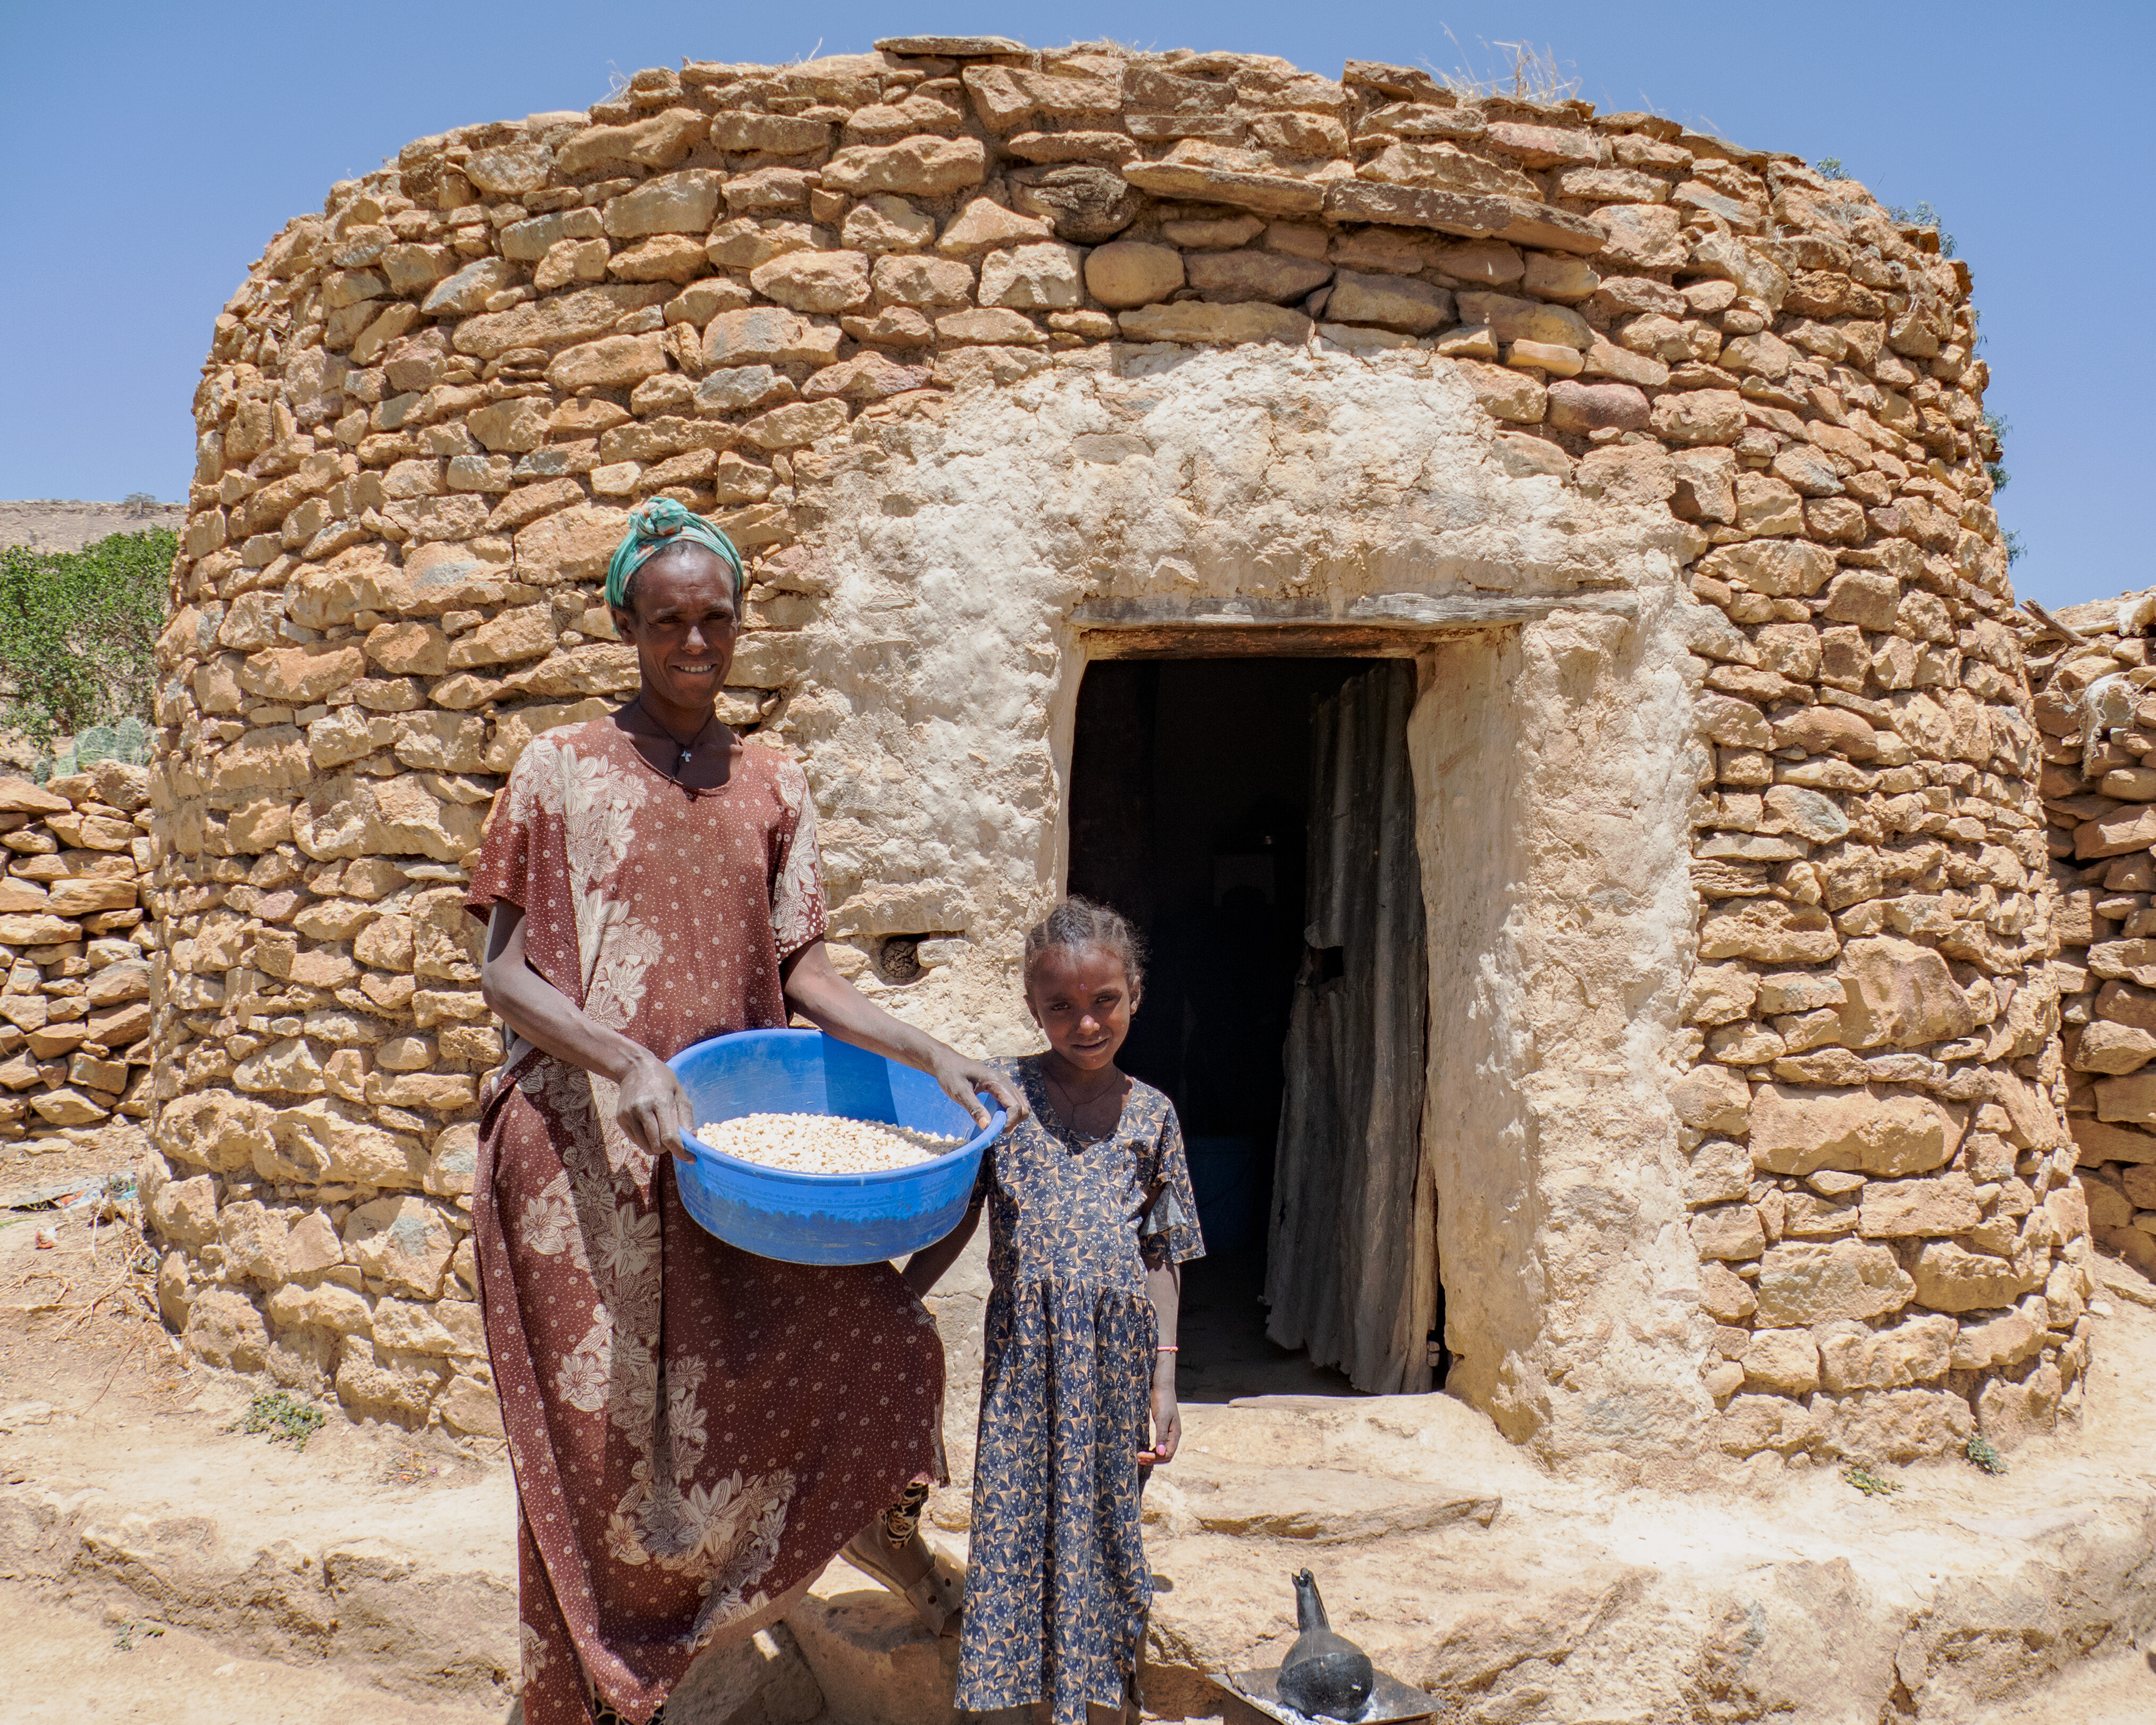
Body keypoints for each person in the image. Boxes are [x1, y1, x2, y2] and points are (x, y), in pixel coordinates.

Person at [468, 498, 1026, 1725]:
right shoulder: (558, 769)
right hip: (584, 1159)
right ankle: (596, 1681)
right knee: (602, 1441)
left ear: (740, 626)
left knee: (877, 1348)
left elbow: (806, 973)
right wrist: (624, 1063)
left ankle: (770, 1600)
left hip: (730, 1154)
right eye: (667, 619)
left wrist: (929, 1046)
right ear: (627, 620)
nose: (693, 642)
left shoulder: (773, 780)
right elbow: (505, 972)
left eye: (715, 619)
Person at [903, 897, 1204, 1725]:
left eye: (1104, 1000)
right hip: (1026, 1357)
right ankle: (1016, 1708)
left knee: (1105, 1536)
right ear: (1032, 1007)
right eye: (1060, 1006)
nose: (1085, 1022)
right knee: (1013, 1532)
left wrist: (1165, 1379)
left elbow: (1160, 1252)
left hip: (1117, 1363)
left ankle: (1098, 1703)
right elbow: (958, 1216)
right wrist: (895, 1297)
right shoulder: (1003, 1096)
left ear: (1135, 993)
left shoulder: (1154, 1115)